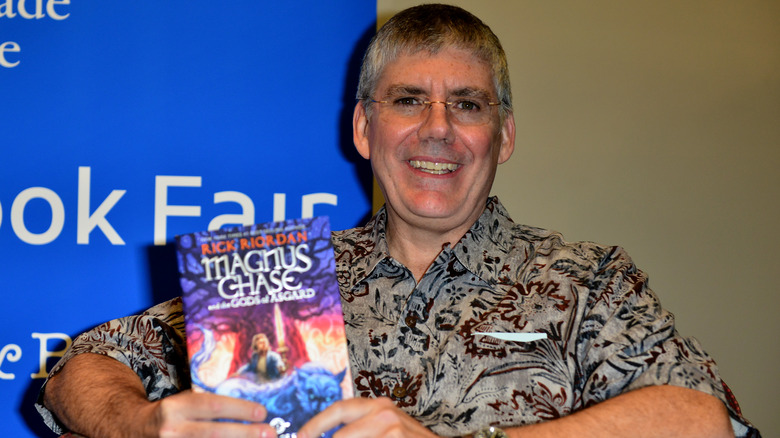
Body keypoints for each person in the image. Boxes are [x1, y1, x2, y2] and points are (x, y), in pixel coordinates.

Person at [37, 4, 759, 438]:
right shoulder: (281, 279)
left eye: (468, 105)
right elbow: (80, 371)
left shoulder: (587, 279)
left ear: (503, 136)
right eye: (409, 100)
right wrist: (144, 424)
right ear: (363, 128)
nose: (437, 130)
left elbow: (701, 419)